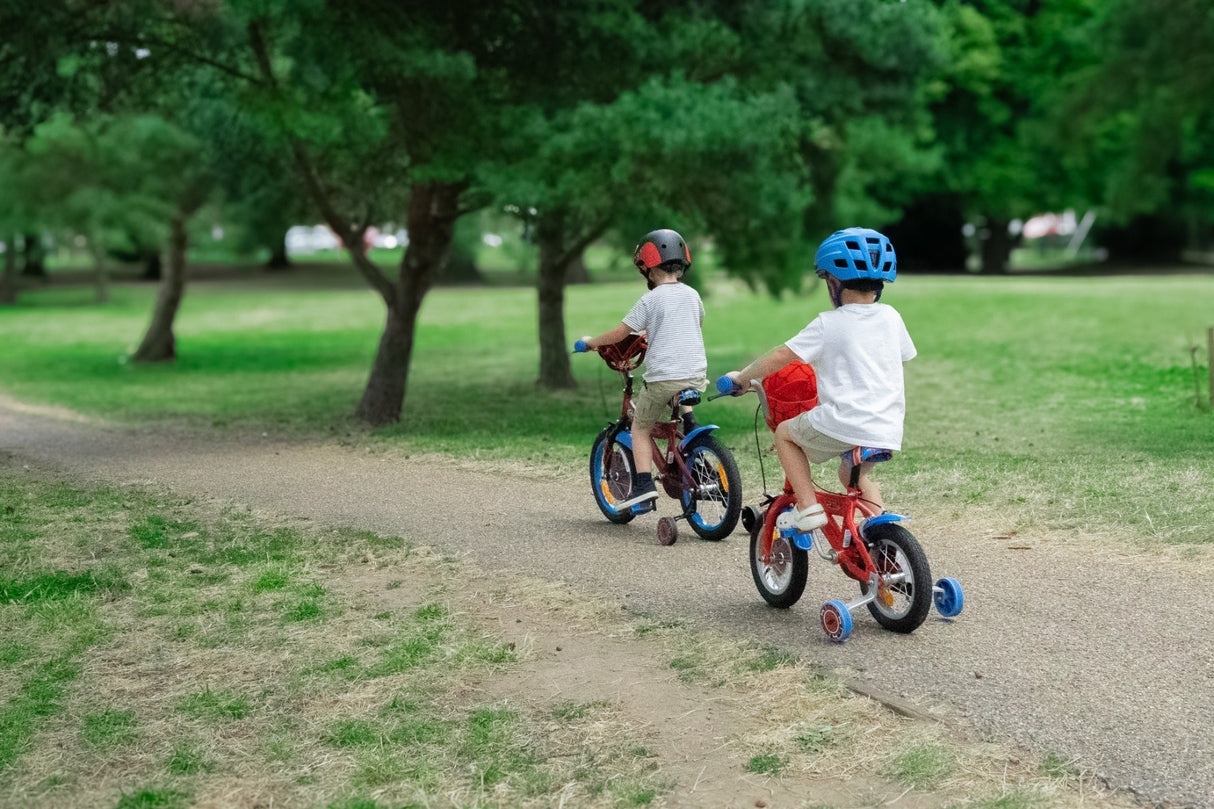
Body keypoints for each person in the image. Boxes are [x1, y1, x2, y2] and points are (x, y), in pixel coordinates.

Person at [725, 227, 915, 536]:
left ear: (834, 282)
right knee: (852, 476)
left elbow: (781, 355)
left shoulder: (829, 323)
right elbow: (903, 354)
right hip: (887, 428)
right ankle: (880, 536)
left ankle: (809, 507)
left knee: (786, 435)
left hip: (843, 422)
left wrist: (742, 377)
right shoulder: (892, 317)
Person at [580, 228, 707, 513]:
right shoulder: (692, 295)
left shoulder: (649, 300)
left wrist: (591, 344)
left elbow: (620, 333)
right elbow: (696, 325)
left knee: (640, 427)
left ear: (647, 266)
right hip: (697, 375)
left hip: (662, 379)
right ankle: (690, 423)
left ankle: (643, 485)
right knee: (682, 385)